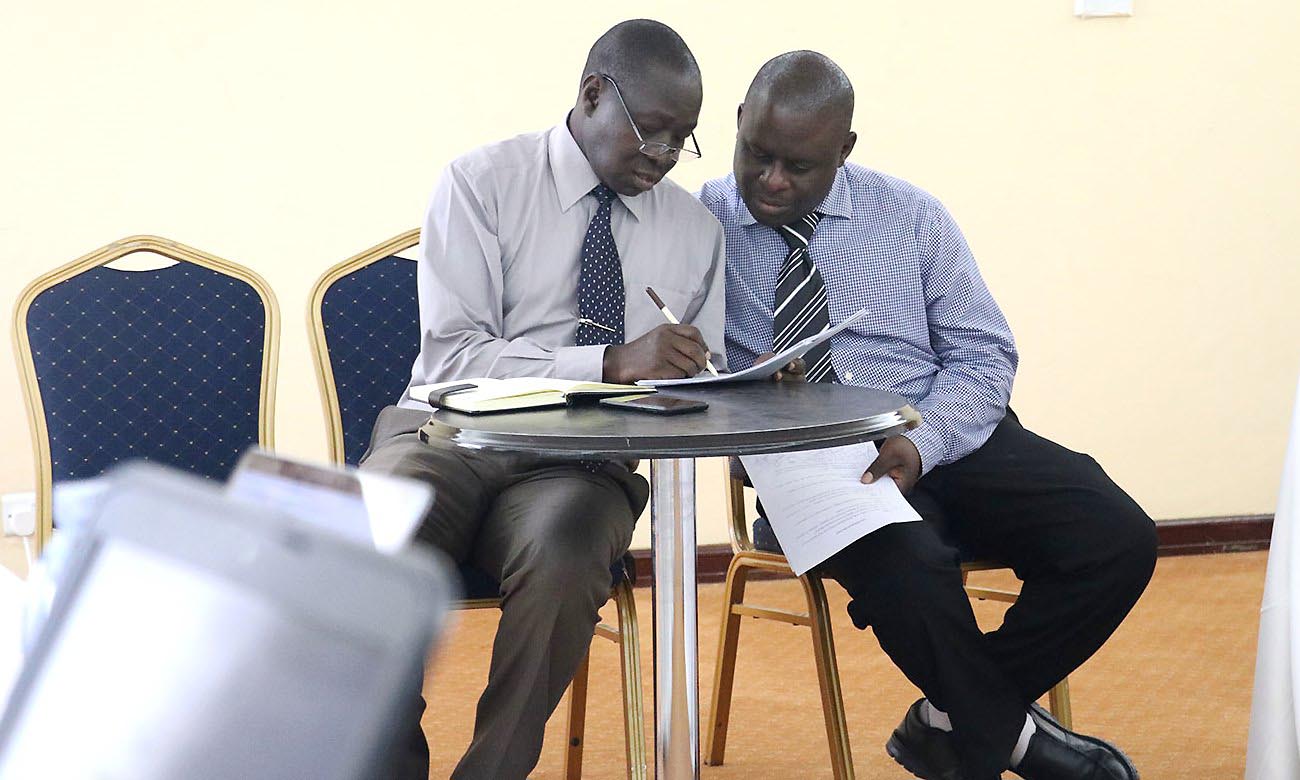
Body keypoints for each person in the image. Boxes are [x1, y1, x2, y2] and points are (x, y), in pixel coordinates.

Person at [700, 51, 1157, 780]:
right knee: (913, 566)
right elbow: (686, 385)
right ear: (738, 125)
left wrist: (927, 442)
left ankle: (953, 722)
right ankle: (1014, 740)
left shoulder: (909, 215)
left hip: (940, 435)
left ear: (845, 151)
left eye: (800, 165)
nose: (773, 180)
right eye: (756, 155)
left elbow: (983, 352)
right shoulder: (698, 229)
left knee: (1116, 534)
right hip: (813, 468)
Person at [360, 20, 727, 780]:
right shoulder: (481, 182)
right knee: (376, 529)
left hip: (583, 466)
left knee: (564, 555)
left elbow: (708, 382)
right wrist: (613, 362)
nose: (663, 156)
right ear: (592, 94)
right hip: (449, 438)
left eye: (681, 139)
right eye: (651, 132)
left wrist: (693, 381)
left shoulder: (695, 230)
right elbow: (455, 356)